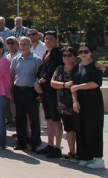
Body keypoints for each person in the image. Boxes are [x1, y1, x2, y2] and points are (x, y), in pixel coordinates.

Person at [71, 43, 105, 169]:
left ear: (91, 53)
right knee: (81, 128)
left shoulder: (96, 66)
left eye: (85, 51)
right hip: (80, 101)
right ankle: (85, 156)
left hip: (93, 102)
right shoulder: (77, 67)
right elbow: (73, 86)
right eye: (80, 52)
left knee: (94, 128)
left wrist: (79, 87)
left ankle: (98, 158)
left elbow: (96, 83)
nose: (83, 54)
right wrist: (75, 101)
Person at [10, 36, 42, 151]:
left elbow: (40, 76)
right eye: (21, 44)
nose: (23, 46)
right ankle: (21, 141)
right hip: (19, 90)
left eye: (25, 44)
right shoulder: (15, 59)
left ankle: (35, 142)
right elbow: (12, 75)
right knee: (20, 117)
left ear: (30, 46)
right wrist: (12, 92)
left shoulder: (36, 59)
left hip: (31, 91)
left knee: (33, 118)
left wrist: (39, 93)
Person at [35, 30, 64, 158]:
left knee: (56, 119)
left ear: (56, 40)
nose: (47, 41)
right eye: (46, 39)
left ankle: (57, 147)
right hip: (44, 90)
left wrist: (41, 81)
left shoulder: (58, 53)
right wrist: (37, 81)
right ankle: (50, 144)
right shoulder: (47, 53)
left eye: (51, 39)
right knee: (49, 118)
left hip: (53, 90)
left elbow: (52, 70)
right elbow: (41, 69)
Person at [51, 46, 79, 162]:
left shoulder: (79, 69)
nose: (66, 58)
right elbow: (52, 83)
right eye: (64, 55)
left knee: (78, 129)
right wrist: (64, 84)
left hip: (77, 104)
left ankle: (80, 152)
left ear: (75, 57)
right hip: (63, 104)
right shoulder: (60, 69)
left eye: (69, 55)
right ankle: (71, 152)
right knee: (68, 129)